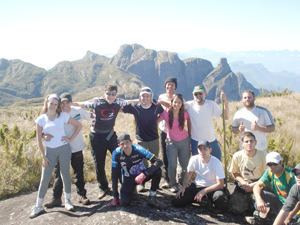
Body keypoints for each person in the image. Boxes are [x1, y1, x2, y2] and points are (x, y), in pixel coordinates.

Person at [72, 84, 132, 199]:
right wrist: (66, 104)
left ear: (116, 95)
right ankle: (103, 187)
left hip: (110, 135)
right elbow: (82, 104)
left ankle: (125, 186)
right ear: (105, 93)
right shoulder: (97, 102)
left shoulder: (118, 102)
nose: (110, 96)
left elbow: (130, 101)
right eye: (108, 93)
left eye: (113, 94)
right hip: (96, 137)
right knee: (99, 163)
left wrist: (145, 99)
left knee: (121, 158)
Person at [29, 94, 82, 218]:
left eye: (55, 104)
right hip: (49, 152)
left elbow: (79, 125)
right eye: (51, 103)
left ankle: (68, 201)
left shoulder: (62, 116)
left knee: (65, 174)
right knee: (45, 178)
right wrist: (43, 156)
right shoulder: (41, 119)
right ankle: (38, 206)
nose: (53, 106)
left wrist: (70, 139)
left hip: (64, 149)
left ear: (58, 106)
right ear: (46, 103)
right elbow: (38, 140)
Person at [43, 93, 92, 208]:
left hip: (76, 147)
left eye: (67, 102)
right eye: (62, 103)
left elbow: (92, 116)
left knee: (78, 172)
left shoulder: (78, 110)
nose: (65, 105)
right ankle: (56, 199)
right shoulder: (55, 114)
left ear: (71, 102)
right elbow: (43, 128)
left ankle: (81, 195)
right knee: (58, 174)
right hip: (60, 149)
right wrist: (43, 135)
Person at [107, 133, 166, 210]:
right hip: (128, 178)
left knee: (157, 171)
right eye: (122, 144)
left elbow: (158, 162)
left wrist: (145, 173)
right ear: (119, 145)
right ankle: (132, 191)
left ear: (131, 142)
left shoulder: (139, 149)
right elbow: (114, 174)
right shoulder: (116, 153)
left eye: (127, 142)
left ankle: (152, 197)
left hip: (142, 176)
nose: (125, 146)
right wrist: (115, 196)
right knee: (125, 203)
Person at [171, 140, 226, 209]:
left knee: (220, 198)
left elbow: (220, 184)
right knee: (176, 201)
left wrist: (204, 191)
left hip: (212, 188)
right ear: (197, 150)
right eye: (200, 149)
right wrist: (183, 187)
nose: (202, 152)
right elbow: (188, 174)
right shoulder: (194, 159)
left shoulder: (217, 163)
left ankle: (205, 200)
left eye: (205, 149)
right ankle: (202, 200)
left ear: (210, 150)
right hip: (198, 186)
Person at [122, 87, 164, 168]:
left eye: (147, 96)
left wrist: (157, 121)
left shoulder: (156, 107)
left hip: (154, 139)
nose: (145, 98)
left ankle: (154, 179)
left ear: (151, 97)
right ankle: (144, 179)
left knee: (155, 162)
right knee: (142, 162)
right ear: (140, 97)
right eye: (143, 96)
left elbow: (164, 114)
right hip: (141, 140)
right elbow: (120, 108)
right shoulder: (135, 106)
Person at [185, 85, 228, 160]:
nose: (198, 95)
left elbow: (226, 116)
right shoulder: (189, 105)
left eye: (200, 93)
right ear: (193, 95)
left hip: (210, 141)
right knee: (199, 166)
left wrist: (225, 102)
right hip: (196, 141)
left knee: (216, 162)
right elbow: (174, 106)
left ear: (205, 94)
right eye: (196, 94)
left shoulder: (211, 104)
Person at [157, 94, 190, 192]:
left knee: (184, 164)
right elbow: (156, 122)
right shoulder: (166, 114)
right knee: (172, 164)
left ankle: (182, 183)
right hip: (171, 142)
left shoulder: (184, 114)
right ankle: (172, 183)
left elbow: (190, 123)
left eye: (179, 102)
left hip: (184, 141)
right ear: (172, 103)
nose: (177, 104)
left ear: (181, 104)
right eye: (175, 102)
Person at [251, 152, 296, 224]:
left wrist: (289, 216)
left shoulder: (290, 176)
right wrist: (259, 200)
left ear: (281, 163)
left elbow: (298, 201)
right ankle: (264, 217)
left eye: (275, 164)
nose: (272, 167)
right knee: (261, 194)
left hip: (292, 208)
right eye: (269, 164)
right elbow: (257, 186)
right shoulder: (269, 172)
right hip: (280, 202)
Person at [228, 132, 267, 214]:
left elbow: (267, 175)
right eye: (246, 141)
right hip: (244, 182)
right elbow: (234, 173)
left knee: (263, 205)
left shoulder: (263, 155)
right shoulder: (237, 156)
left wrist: (254, 185)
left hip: (260, 182)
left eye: (251, 141)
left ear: (255, 142)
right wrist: (244, 183)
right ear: (242, 143)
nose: (249, 143)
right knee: (236, 209)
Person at [158, 77, 177, 188]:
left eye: (172, 85)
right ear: (165, 86)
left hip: (174, 131)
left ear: (175, 87)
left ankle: (174, 180)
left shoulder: (177, 98)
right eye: (168, 84)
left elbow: (176, 109)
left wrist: (163, 103)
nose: (170, 87)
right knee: (164, 155)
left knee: (173, 156)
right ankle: (166, 179)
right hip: (163, 130)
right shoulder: (161, 96)